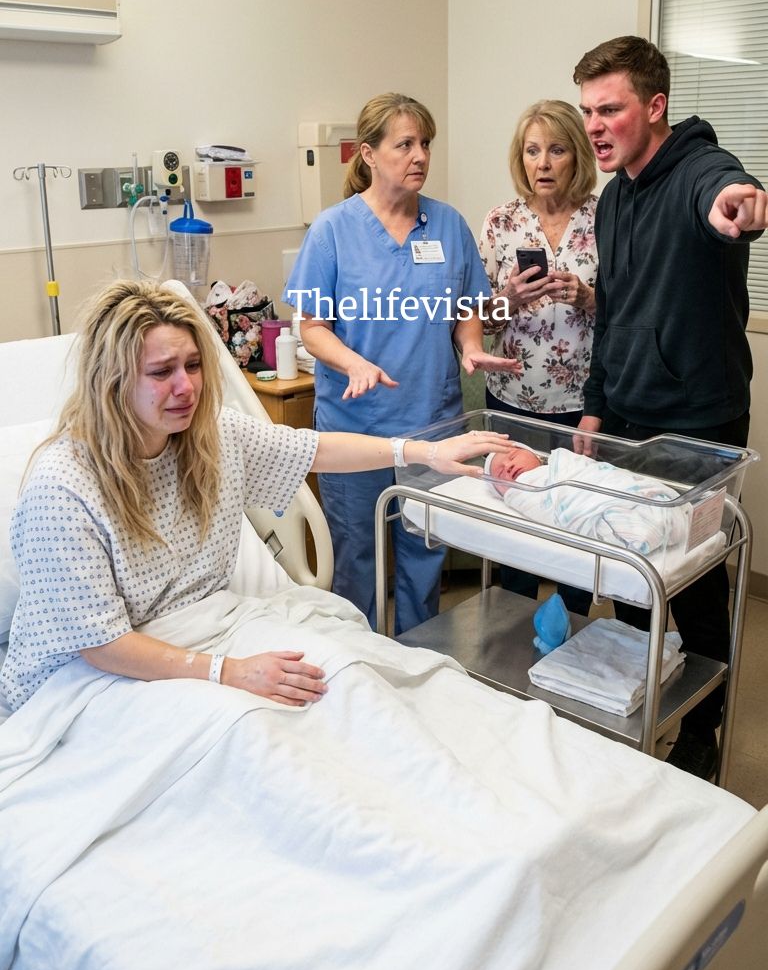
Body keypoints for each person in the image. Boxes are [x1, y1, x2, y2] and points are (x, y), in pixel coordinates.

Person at [0, 280, 512, 712]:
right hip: (89, 680)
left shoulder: (210, 437)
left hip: (206, 632)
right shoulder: (64, 489)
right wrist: (229, 672)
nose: (186, 387)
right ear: (110, 381)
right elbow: (101, 645)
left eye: (193, 365)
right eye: (161, 372)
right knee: (256, 729)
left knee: (348, 678)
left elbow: (316, 451)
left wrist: (423, 453)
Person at [573, 34, 767, 780]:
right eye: (588, 110)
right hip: (626, 413)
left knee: (695, 581)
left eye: (610, 109)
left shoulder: (699, 171)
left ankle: (703, 729)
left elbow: (724, 191)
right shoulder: (614, 199)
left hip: (697, 421)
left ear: (655, 107)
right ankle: (642, 693)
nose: (595, 126)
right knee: (633, 572)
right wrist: (595, 404)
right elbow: (613, 311)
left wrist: (736, 204)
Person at [283, 92, 517, 635]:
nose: (420, 156)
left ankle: (420, 662)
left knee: (423, 558)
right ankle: (359, 665)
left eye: (425, 144)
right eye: (405, 144)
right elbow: (311, 328)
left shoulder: (448, 225)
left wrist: (471, 345)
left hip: (432, 424)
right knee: (356, 562)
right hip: (355, 429)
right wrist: (354, 364)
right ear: (368, 153)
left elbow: (464, 308)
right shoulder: (332, 231)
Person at [477, 98, 599, 614]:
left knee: (575, 524)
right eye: (532, 151)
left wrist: (588, 297)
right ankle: (511, 626)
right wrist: (509, 298)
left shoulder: (604, 217)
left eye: (556, 150)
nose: (543, 163)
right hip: (512, 399)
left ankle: (572, 628)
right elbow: (474, 319)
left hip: (582, 404)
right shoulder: (501, 222)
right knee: (517, 527)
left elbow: (631, 312)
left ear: (578, 156)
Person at [484, 443, 689, 557]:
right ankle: (644, 524)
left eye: (513, 456)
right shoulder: (520, 494)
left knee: (629, 486)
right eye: (500, 473)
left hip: (612, 485)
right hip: (587, 505)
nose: (508, 467)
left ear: (535, 455)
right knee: (618, 517)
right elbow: (545, 507)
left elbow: (599, 472)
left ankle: (656, 509)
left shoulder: (564, 462)